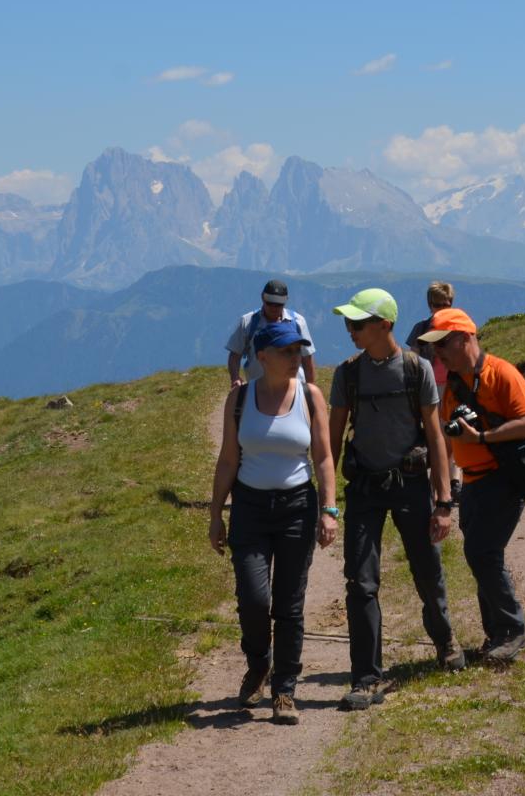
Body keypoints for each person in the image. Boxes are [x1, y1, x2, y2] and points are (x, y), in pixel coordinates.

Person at [328, 288, 463, 711]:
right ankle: (366, 678)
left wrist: (444, 502)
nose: (349, 330)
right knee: (360, 583)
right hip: (365, 487)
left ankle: (444, 641)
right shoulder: (346, 374)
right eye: (348, 322)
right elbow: (330, 444)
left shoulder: (415, 369)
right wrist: (326, 503)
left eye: (357, 323)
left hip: (410, 486)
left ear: (383, 325)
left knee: (427, 570)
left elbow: (436, 437)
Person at [209, 319, 339, 725]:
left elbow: (322, 456)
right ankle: (259, 662)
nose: (295, 356)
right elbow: (229, 459)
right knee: (253, 598)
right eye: (286, 351)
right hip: (249, 506)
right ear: (261, 357)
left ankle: (285, 690)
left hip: (297, 506)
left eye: (298, 350)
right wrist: (216, 514)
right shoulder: (240, 400)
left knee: (289, 603)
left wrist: (329, 510)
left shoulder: (310, 396)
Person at [418, 307, 525, 663]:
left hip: (503, 479)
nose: (436, 353)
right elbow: (448, 438)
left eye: (442, 343)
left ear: (464, 338)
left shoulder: (502, 373)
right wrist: (450, 484)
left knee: (482, 553)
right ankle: (498, 635)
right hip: (472, 484)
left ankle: (512, 630)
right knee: (483, 555)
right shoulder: (454, 384)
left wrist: (483, 436)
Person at [406, 281, 462, 502]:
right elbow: (413, 358)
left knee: (453, 431)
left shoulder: (458, 328)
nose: (441, 308)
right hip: (430, 388)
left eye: (445, 304)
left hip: (453, 386)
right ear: (430, 304)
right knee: (438, 434)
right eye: (437, 304)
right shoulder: (421, 328)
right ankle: (443, 482)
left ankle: (452, 482)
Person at [226, 279, 316, 388]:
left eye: (278, 304)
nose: (273, 307)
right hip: (258, 389)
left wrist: (310, 388)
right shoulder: (247, 322)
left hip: (294, 388)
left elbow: (307, 358)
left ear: (285, 301)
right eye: (269, 303)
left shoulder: (298, 322)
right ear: (262, 298)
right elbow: (235, 355)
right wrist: (235, 378)